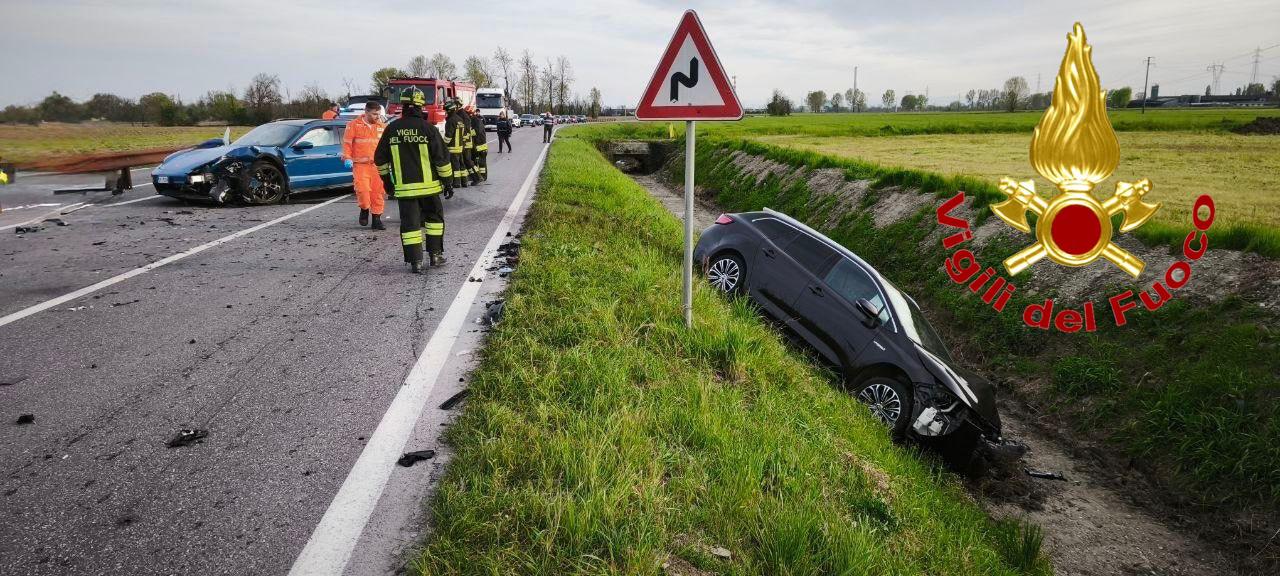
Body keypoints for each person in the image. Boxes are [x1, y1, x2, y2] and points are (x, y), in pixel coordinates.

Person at [374, 88, 454, 274]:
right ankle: (435, 255)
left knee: (410, 225)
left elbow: (380, 160)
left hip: (405, 190)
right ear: (420, 107)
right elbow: (442, 159)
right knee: (434, 220)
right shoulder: (429, 129)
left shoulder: (392, 129)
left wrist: (388, 183)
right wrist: (448, 182)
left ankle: (415, 262)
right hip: (430, 188)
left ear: (403, 106)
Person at [342, 101, 387, 229]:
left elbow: (386, 147)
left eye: (378, 114)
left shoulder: (382, 127)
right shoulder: (353, 125)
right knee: (363, 190)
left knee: (378, 193)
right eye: (374, 114)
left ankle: (377, 219)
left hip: (377, 166)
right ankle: (364, 208)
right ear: (366, 112)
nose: (377, 117)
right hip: (360, 165)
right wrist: (347, 158)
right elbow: (347, 144)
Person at [443, 99, 470, 189]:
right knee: (461, 165)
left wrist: (443, 145)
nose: (445, 112)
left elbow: (448, 136)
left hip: (452, 148)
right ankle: (465, 182)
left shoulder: (450, 121)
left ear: (449, 110)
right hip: (460, 147)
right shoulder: (460, 119)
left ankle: (456, 183)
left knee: (455, 167)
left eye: (446, 110)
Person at [468, 106, 488, 182]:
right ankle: (479, 176)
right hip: (477, 145)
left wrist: (468, 133)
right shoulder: (473, 120)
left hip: (481, 145)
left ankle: (483, 176)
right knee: (476, 162)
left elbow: (477, 131)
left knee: (482, 163)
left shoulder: (477, 121)